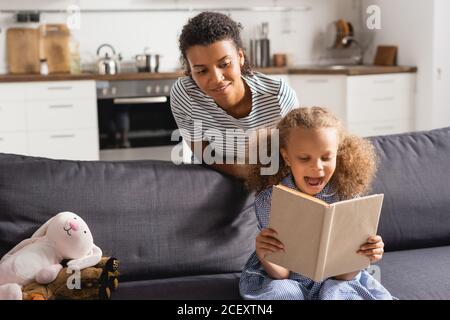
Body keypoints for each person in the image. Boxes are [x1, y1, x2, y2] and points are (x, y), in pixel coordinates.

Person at [240, 107, 394, 300]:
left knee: (337, 293)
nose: (317, 167)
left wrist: (363, 255)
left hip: (337, 280)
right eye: (304, 158)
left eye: (327, 157)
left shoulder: (348, 196)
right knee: (283, 292)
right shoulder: (271, 199)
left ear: (337, 155)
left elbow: (343, 276)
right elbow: (282, 274)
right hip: (284, 279)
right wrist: (265, 254)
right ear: (287, 157)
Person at [170, 12, 298, 179]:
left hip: (270, 182)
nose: (216, 79)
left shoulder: (278, 97)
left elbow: (293, 159)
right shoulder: (185, 95)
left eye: (224, 64)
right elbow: (204, 155)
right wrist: (246, 173)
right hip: (215, 180)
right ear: (190, 71)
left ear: (240, 57)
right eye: (201, 71)